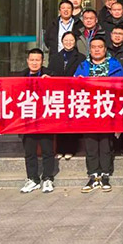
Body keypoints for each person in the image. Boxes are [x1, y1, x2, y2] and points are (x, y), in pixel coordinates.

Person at [75, 36, 123, 193]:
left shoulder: (115, 65)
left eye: (100, 47)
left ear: (105, 49)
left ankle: (105, 174)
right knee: (90, 145)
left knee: (105, 144)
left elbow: (121, 85)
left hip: (107, 110)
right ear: (90, 50)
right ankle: (93, 175)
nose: (97, 49)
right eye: (94, 47)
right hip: (88, 111)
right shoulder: (83, 66)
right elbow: (74, 85)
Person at [13, 48, 55, 194]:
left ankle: (48, 178)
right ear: (27, 61)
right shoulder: (21, 76)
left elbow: (59, 92)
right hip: (27, 120)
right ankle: (32, 179)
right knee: (30, 151)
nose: (34, 63)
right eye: (32, 60)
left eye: (37, 60)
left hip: (45, 119)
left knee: (47, 150)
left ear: (42, 61)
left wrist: (51, 83)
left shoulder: (50, 74)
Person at [47, 31, 85, 159]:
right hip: (59, 94)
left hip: (73, 93)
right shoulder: (55, 57)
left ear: (75, 42)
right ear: (62, 42)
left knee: (71, 121)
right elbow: (50, 72)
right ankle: (60, 149)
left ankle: (70, 149)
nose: (68, 43)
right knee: (60, 122)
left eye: (71, 40)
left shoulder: (81, 57)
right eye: (66, 40)